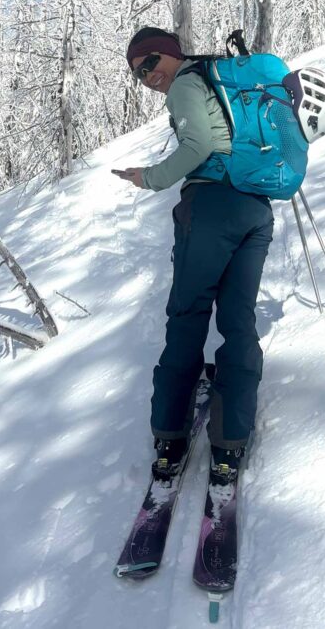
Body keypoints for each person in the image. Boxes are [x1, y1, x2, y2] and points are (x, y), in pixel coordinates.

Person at [114, 27, 275, 483]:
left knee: (186, 315)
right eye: (138, 74)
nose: (147, 77)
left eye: (149, 64)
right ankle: (230, 441)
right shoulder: (213, 82)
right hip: (253, 209)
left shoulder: (187, 83)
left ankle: (170, 435)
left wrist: (150, 177)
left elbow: (198, 146)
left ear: (168, 54)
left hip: (209, 209)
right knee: (238, 321)